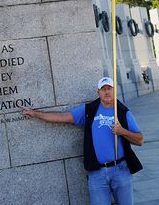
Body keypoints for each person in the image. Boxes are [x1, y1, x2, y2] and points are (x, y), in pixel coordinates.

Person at [22, 77, 144, 205]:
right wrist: (35, 114)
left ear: (114, 91)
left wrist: (122, 131)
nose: (107, 92)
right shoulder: (89, 110)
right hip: (97, 174)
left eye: (109, 88)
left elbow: (140, 140)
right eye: (103, 89)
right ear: (98, 93)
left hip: (120, 170)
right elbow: (63, 117)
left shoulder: (123, 112)